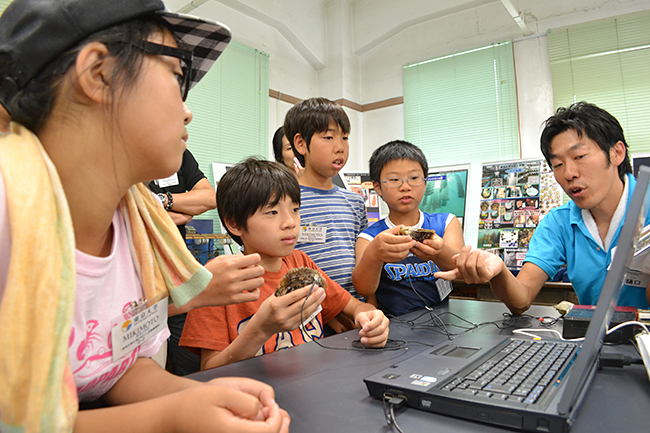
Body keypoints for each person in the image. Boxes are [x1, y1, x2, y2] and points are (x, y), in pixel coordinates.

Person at [0, 1, 289, 432]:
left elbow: (117, 363)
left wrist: (200, 397)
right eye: (178, 76)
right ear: (98, 73)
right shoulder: (10, 211)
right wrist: (170, 418)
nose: (188, 110)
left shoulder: (136, 226)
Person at [436, 102, 650, 313]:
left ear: (617, 153)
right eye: (558, 165)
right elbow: (522, 298)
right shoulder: (559, 222)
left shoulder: (646, 206)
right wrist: (500, 271)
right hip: (594, 342)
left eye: (579, 157)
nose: (569, 173)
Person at [179, 158, 389, 370]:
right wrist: (260, 330)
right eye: (272, 212)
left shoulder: (300, 262)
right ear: (234, 223)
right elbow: (210, 370)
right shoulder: (219, 282)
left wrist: (370, 318)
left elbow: (355, 307)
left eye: (295, 209)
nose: (290, 222)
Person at [284, 97, 368, 333]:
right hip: (307, 317)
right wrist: (329, 312)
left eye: (345, 137)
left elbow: (364, 262)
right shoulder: (287, 201)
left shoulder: (354, 201)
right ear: (301, 144)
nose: (340, 147)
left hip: (355, 315)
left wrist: (366, 308)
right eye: (329, 137)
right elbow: (282, 267)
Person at [352, 141, 464, 316]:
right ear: (377, 187)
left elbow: (459, 269)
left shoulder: (447, 222)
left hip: (443, 321)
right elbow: (364, 289)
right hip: (394, 327)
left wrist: (439, 251)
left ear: (425, 183)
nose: (405, 186)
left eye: (414, 178)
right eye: (394, 180)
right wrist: (374, 253)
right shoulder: (368, 238)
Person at [148, 148, 216, 376]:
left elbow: (209, 198)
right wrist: (179, 211)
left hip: (176, 276)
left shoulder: (178, 154)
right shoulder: (128, 154)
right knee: (149, 366)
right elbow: (131, 210)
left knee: (190, 365)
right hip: (142, 278)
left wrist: (162, 200)